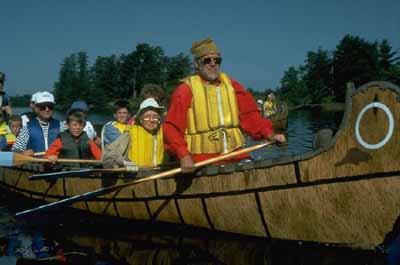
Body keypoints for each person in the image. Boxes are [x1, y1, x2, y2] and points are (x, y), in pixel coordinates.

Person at [163, 38, 286, 172]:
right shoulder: (185, 90)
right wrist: (183, 155)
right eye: (207, 60)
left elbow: (251, 117)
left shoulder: (233, 86)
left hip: (235, 155)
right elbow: (171, 128)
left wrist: (270, 135)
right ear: (197, 64)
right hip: (201, 159)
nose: (213, 64)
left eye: (217, 60)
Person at [103, 98, 165, 169]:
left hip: (160, 174)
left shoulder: (165, 132)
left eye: (155, 116)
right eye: (147, 116)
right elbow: (109, 154)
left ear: (159, 118)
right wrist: (125, 163)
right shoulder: (130, 133)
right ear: (141, 119)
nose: (151, 120)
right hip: (137, 175)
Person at [12, 91, 61, 156]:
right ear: (36, 108)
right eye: (43, 107)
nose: (47, 109)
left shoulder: (62, 126)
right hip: (35, 165)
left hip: (57, 165)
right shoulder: (27, 128)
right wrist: (22, 153)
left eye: (50, 106)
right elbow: (15, 150)